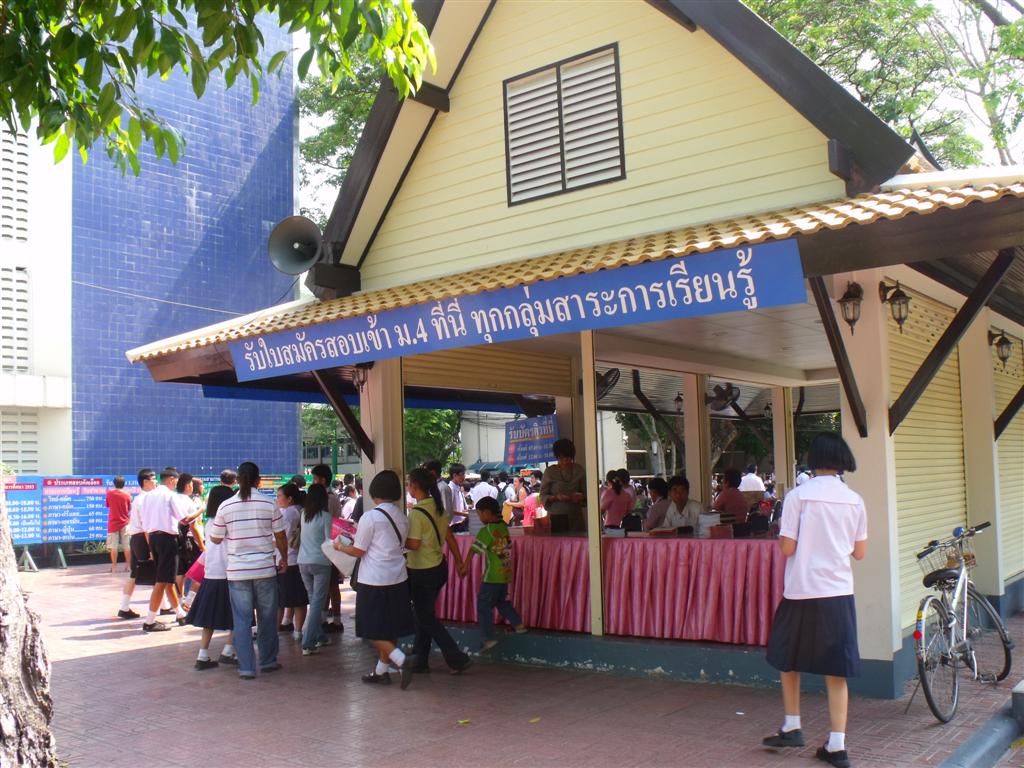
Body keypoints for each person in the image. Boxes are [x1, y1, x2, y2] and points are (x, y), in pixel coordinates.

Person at [762, 433, 866, 768]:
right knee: (836, 669)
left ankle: (792, 725)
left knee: (787, 658)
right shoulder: (854, 500)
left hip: (802, 589)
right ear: (842, 460)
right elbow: (860, 552)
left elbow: (787, 548)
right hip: (838, 591)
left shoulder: (798, 496)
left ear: (813, 459)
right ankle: (837, 745)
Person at [332, 470, 417, 689]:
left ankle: (401, 659)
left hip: (374, 579)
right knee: (390, 627)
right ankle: (381, 671)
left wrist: (340, 546)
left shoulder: (370, 517)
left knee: (369, 628)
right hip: (398, 577)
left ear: (374, 491)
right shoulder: (402, 516)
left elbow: (358, 550)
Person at [207, 462, 288, 680]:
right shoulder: (269, 503)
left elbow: (215, 538)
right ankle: (268, 661)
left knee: (241, 621)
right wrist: (284, 558)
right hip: (264, 569)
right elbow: (281, 536)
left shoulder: (226, 506)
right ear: (258, 481)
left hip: (238, 572)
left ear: (238, 480)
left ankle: (246, 668)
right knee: (267, 618)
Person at [404, 467, 471, 674]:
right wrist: (459, 561)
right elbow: (449, 536)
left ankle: (456, 658)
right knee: (423, 614)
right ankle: (420, 659)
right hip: (438, 567)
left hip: (422, 570)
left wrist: (396, 540)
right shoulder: (437, 506)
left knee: (425, 617)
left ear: (414, 487)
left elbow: (414, 544)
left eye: (408, 484)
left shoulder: (416, 513)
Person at [459, 496, 526, 650]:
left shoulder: (487, 530)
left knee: (483, 606)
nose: (479, 518)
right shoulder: (503, 528)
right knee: (501, 602)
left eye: (479, 514)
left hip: (492, 576)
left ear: (487, 513)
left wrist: (465, 565)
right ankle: (518, 624)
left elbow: (474, 549)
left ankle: (488, 638)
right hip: (505, 574)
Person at [184, 492, 237, 670]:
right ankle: (228, 651)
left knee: (209, 618)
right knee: (239, 614)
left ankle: (203, 655)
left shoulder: (209, 523)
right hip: (229, 573)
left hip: (211, 574)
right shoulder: (228, 522)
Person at [139, 467, 187, 631]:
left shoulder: (147, 496)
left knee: (167, 579)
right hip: (167, 539)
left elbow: (144, 523)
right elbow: (184, 518)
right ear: (172, 480)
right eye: (176, 481)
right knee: (162, 581)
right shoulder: (170, 495)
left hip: (153, 538)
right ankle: (149, 621)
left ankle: (180, 614)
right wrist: (201, 509)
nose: (177, 485)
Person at [297, 484, 334, 656]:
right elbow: (328, 541)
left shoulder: (303, 514)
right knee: (318, 602)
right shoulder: (325, 516)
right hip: (321, 562)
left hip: (303, 561)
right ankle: (308, 642)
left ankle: (320, 636)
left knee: (314, 601)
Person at [116, 468, 156, 619]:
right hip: (143, 538)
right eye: (154, 479)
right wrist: (151, 548)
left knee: (134, 574)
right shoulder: (146, 499)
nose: (156, 482)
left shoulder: (139, 498)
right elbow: (146, 526)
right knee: (156, 573)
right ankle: (161, 609)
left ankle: (124, 607)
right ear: (145, 482)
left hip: (136, 538)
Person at [311, 464, 344, 634]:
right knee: (329, 586)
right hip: (331, 546)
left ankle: (332, 620)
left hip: (327, 547)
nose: (313, 482)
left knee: (329, 586)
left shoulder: (327, 498)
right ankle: (330, 619)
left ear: (322, 480)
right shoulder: (333, 496)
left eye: (315, 479)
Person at [275, 483, 308, 642]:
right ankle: (297, 631)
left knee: (282, 600)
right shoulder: (298, 511)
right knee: (297, 599)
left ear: (289, 499)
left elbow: (282, 538)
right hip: (294, 559)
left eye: (279, 496)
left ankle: (277, 630)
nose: (277, 499)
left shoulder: (288, 513)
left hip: (287, 559)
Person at [540, 439, 586, 533]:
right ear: (557, 457)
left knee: (578, 541)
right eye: (561, 458)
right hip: (556, 517)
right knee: (559, 541)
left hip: (575, 516)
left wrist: (580, 497)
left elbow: (587, 494)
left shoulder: (579, 470)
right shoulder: (550, 472)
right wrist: (556, 497)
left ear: (572, 456)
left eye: (568, 458)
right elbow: (543, 495)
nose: (565, 461)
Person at [105, 476, 132, 572]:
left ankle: (114, 567)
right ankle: (128, 566)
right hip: (125, 522)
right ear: (124, 484)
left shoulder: (109, 493)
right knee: (127, 545)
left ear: (114, 483)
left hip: (113, 523)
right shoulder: (127, 495)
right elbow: (129, 509)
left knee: (113, 546)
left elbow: (107, 505)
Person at [468, 470, 499, 535]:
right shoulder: (491, 488)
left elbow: (473, 503)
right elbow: (493, 504)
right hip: (487, 517)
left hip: (475, 517)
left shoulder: (475, 488)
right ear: (489, 478)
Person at [447, 463, 469, 531]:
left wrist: (466, 511)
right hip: (454, 525)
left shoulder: (457, 487)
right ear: (454, 475)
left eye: (464, 474)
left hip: (461, 523)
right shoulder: (451, 489)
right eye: (462, 474)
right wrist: (463, 514)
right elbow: (448, 509)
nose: (464, 477)